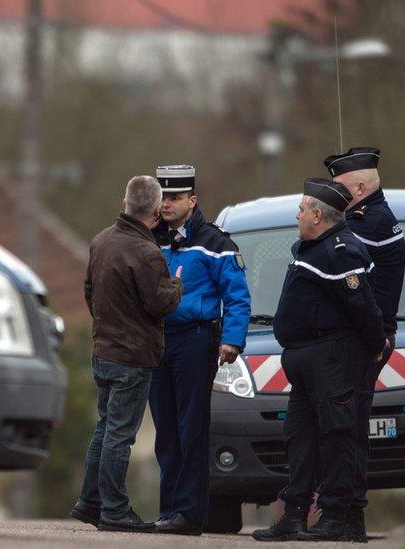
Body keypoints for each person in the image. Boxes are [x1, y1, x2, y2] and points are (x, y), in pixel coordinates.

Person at [252, 178, 388, 542]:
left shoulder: (341, 251)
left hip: (333, 359)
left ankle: (338, 516)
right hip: (307, 363)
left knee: (337, 438)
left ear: (317, 214)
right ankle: (294, 513)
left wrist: (376, 345)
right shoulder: (313, 247)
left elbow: (364, 308)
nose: (296, 214)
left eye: (301, 209)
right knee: (300, 437)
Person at [72, 175, 183, 532]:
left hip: (103, 351)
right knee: (120, 434)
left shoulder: (101, 241)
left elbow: (90, 292)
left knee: (105, 429)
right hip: (132, 358)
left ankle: (89, 502)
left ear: (124, 203)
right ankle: (114, 510)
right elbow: (160, 304)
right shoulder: (146, 253)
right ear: (155, 210)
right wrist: (176, 284)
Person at [148, 165, 251, 535]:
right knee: (166, 431)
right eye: (163, 197)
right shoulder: (150, 238)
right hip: (159, 341)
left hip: (194, 340)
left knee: (191, 429)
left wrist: (232, 339)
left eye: (175, 198)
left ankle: (189, 513)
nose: (168, 205)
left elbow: (237, 297)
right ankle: (169, 509)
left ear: (192, 200)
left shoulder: (215, 242)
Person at [325, 147, 405, 543]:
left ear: (359, 186)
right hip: (363, 339)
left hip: (361, 342)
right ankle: (341, 511)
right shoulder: (370, 217)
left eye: (338, 186)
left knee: (349, 430)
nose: (332, 192)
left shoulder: (368, 223)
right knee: (346, 428)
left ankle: (347, 515)